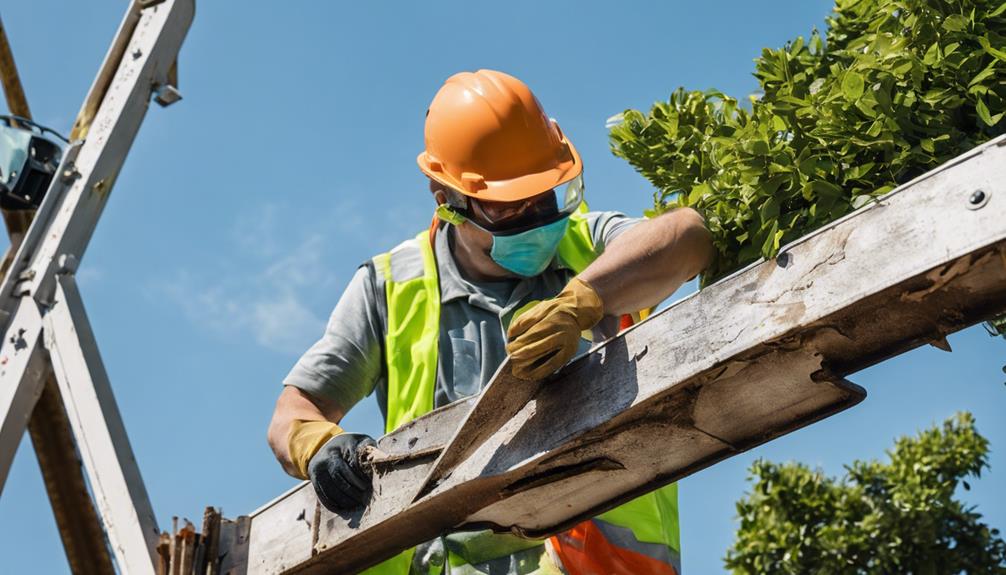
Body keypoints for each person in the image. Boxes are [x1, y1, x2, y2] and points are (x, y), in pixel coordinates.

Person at [267, 69, 714, 575]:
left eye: (548, 197)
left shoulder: (590, 242)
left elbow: (687, 236)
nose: (537, 219)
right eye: (509, 209)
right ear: (448, 200)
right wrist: (320, 448)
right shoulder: (389, 287)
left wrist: (584, 300)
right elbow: (291, 416)